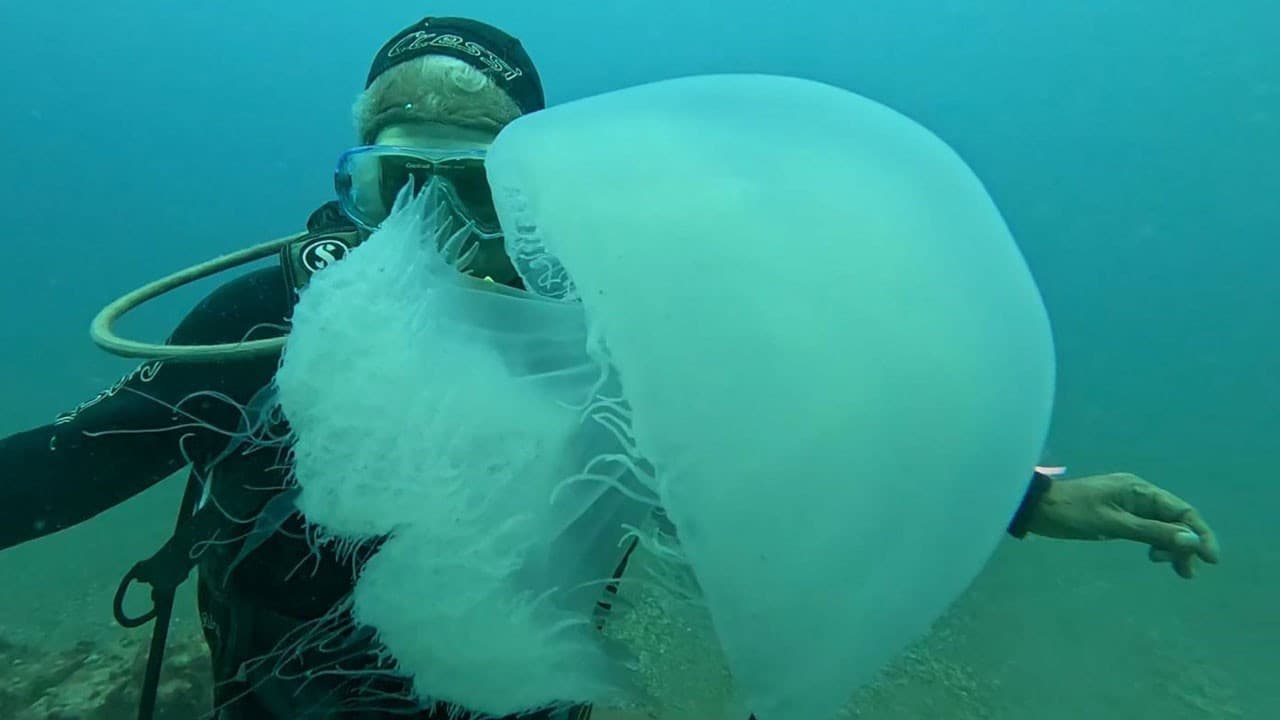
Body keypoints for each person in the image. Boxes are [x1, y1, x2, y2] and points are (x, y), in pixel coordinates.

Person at [0, 15, 1220, 720]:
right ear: (351, 183)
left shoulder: (611, 328)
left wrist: (1027, 493)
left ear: (534, 185)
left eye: (464, 182)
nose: (423, 216)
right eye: (392, 178)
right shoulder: (265, 312)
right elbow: (68, 466)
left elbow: (792, 437)